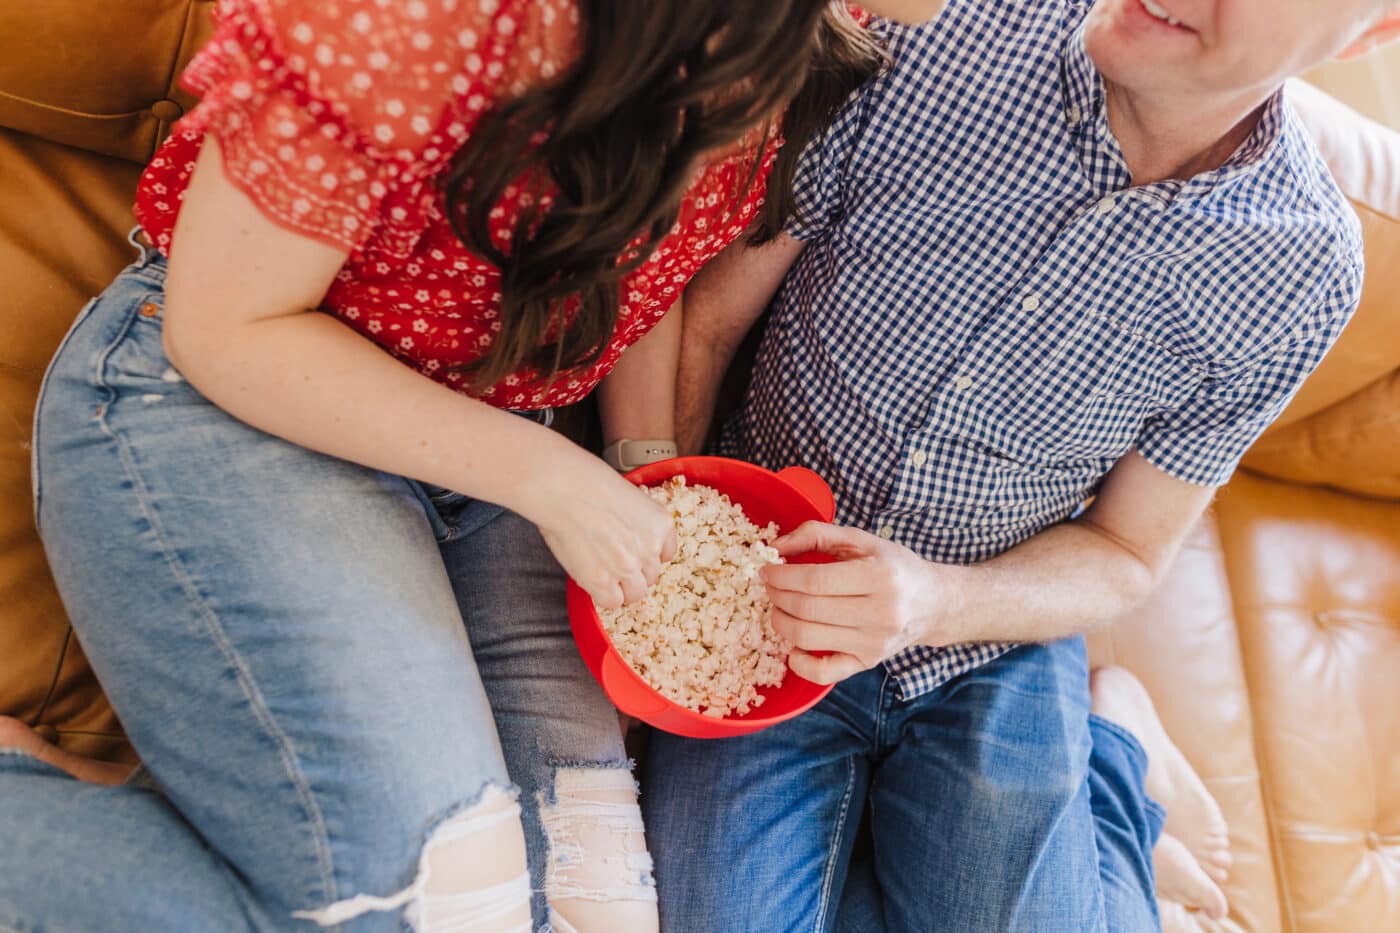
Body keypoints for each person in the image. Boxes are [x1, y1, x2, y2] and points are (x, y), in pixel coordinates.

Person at [0, 2, 944, 931]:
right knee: (441, 913)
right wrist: (552, 479)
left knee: (596, 911)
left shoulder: (810, 22)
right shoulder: (413, 21)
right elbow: (227, 328)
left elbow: (642, 255)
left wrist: (647, 476)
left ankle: (223, 829)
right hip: (245, 396)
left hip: (494, 456)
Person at [645, 0, 1400, 930]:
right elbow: (709, 320)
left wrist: (931, 600)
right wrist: (688, 562)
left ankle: (1113, 747)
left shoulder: (1302, 271)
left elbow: (1127, 548)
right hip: (765, 582)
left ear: (1370, 32)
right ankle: (1108, 770)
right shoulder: (932, 27)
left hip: (987, 637)